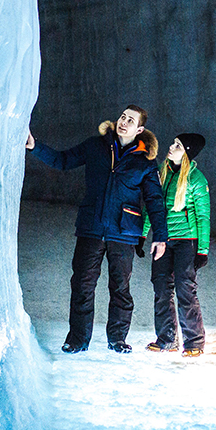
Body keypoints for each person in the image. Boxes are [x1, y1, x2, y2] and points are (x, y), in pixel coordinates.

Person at [26, 105, 168, 354]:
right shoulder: (95, 146)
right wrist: (34, 146)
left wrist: (161, 237)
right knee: (82, 284)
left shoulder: (145, 162)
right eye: (123, 117)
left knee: (120, 288)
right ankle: (78, 340)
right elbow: (63, 160)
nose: (124, 122)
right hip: (91, 227)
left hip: (124, 232)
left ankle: (118, 339)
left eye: (131, 120)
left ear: (140, 129)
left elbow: (155, 200)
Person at [143, 133, 209, 357]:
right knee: (161, 287)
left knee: (185, 289)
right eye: (173, 143)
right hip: (163, 240)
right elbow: (153, 206)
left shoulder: (196, 180)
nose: (171, 147)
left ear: (187, 153)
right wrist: (143, 234)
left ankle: (194, 342)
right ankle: (167, 339)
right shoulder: (163, 173)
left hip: (186, 242)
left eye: (178, 146)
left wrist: (202, 250)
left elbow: (203, 217)